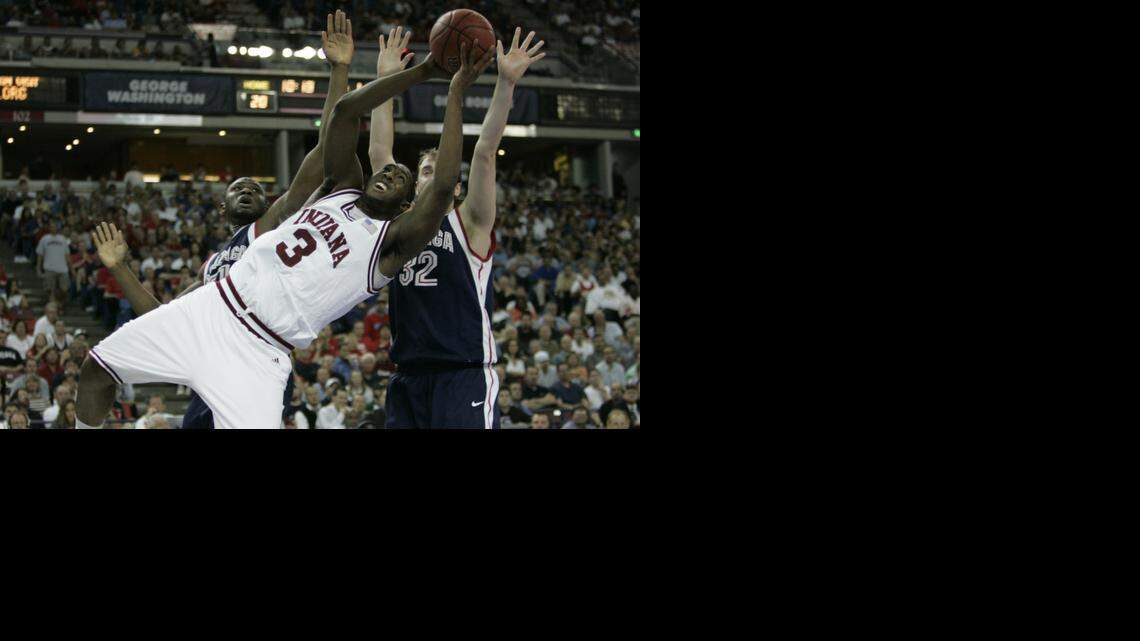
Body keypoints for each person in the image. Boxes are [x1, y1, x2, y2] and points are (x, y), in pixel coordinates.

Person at [76, 35, 490, 429]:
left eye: (400, 177)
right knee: (96, 370)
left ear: (405, 204)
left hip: (261, 350)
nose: (389, 173)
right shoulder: (341, 187)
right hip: (215, 309)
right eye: (385, 168)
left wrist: (454, 94)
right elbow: (345, 112)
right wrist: (422, 71)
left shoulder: (392, 243)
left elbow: (442, 184)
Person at [85, 11, 359, 429]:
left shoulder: (269, 229)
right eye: (238, 187)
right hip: (213, 364)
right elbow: (160, 315)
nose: (248, 189)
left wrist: (338, 70)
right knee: (100, 368)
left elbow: (323, 153)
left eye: (256, 187)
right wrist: (119, 267)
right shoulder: (212, 266)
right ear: (222, 207)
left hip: (254, 358)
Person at [369, 27, 545, 429]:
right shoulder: (398, 223)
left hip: (462, 373)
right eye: (424, 170)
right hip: (408, 376)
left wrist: (506, 82)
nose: (429, 175)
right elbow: (380, 151)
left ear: (455, 184)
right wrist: (385, 79)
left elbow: (483, 154)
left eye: (436, 169)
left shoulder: (469, 221)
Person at [36, 222, 71, 306]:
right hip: (49, 268)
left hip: (63, 268)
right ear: (49, 228)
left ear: (57, 228)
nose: (53, 228)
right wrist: (38, 268)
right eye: (51, 226)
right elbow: (40, 254)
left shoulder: (63, 239)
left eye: (55, 226)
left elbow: (67, 255)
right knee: (49, 289)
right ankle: (52, 306)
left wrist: (71, 268)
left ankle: (61, 305)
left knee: (64, 289)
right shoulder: (44, 239)